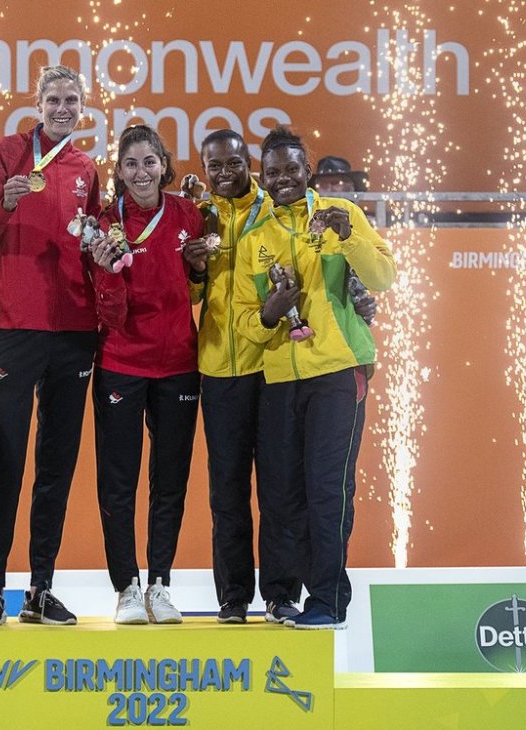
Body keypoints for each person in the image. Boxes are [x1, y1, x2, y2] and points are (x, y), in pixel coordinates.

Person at [233, 126, 396, 629]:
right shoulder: (253, 238)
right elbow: (244, 321)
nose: (283, 179)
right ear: (263, 176)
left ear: (309, 172)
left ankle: (327, 600)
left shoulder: (340, 215)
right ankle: (280, 596)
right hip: (279, 375)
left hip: (337, 372)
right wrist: (269, 312)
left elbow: (382, 278)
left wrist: (347, 241)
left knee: (328, 488)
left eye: (292, 169)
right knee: (280, 492)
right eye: (273, 171)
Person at [0, 65, 101, 626]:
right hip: (14, 327)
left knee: (57, 463)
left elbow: (94, 246)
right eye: (54, 99)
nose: (62, 108)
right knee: (7, 460)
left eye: (71, 100)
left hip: (73, 332)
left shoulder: (86, 169)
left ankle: (40, 588)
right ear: (38, 103)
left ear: (82, 106)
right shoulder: (6, 152)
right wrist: (7, 203)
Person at [179, 130, 303, 626]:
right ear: (204, 168)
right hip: (217, 368)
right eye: (215, 165)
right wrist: (191, 270)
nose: (225, 172)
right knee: (226, 491)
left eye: (234, 163)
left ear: (249, 163)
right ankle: (233, 597)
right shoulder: (199, 216)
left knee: (278, 487)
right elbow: (190, 295)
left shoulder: (272, 212)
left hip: (271, 366)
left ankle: (279, 593)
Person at [87, 125, 203, 624]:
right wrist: (108, 272)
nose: (141, 173)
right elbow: (105, 312)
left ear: (164, 165)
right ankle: (126, 588)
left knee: (170, 479)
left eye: (149, 162)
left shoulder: (187, 214)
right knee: (118, 480)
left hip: (178, 361)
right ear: (118, 171)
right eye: (130, 164)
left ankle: (160, 584)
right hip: (120, 361)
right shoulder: (102, 222)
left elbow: (199, 284)